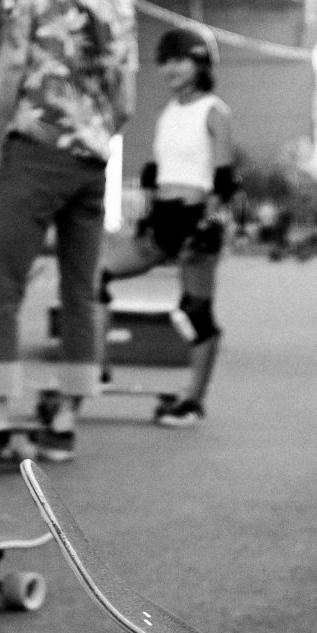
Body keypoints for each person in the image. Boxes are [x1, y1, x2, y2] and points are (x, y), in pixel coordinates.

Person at [0, 0, 138, 462]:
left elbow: (15, 58)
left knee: (4, 283)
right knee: (79, 292)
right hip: (91, 161)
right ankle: (65, 419)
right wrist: (93, 129)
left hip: (36, 148)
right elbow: (128, 100)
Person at [100, 27, 235, 427]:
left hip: (197, 219)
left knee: (195, 311)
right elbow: (157, 173)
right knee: (96, 276)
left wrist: (210, 223)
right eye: (166, 60)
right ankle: (97, 365)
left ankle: (193, 400)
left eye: (181, 59)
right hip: (163, 218)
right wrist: (146, 215)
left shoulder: (215, 111)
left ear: (201, 63)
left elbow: (224, 178)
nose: (171, 68)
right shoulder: (168, 113)